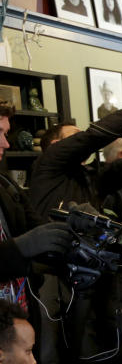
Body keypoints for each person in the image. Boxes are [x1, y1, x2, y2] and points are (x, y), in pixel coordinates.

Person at [31, 85, 122, 216]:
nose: (80, 138)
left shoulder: (89, 176)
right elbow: (92, 137)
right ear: (55, 145)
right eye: (75, 136)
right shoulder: (47, 165)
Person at [0, 102, 71, 293]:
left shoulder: (5, 184)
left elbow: (35, 225)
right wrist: (21, 247)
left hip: (19, 305)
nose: (5, 144)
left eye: (5, 134)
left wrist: (66, 226)